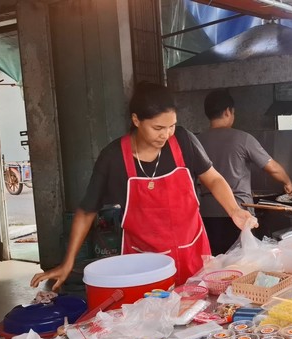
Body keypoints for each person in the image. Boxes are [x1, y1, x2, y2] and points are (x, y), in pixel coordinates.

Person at [31, 82, 255, 290]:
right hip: (145, 267)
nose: (166, 134)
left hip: (193, 257)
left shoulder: (184, 140)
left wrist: (234, 209)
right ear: (136, 120)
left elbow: (213, 178)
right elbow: (87, 210)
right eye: (158, 127)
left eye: (171, 126)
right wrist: (68, 262)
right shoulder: (114, 158)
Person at [197, 89, 292, 255]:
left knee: (215, 265)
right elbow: (272, 168)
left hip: (205, 215)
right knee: (243, 264)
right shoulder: (242, 138)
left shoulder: (197, 141)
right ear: (228, 111)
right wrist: (288, 182)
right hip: (239, 214)